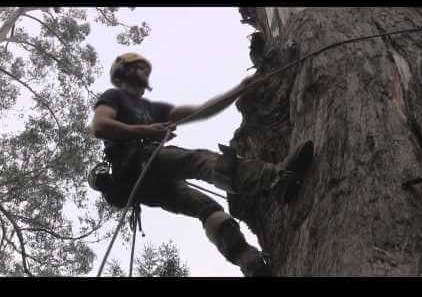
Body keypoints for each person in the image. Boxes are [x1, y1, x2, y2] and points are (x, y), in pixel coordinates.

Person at [89, 52, 314, 277]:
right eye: (139, 68)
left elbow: (201, 111)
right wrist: (146, 131)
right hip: (137, 162)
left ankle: (250, 262)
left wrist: (239, 90)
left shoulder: (153, 109)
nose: (145, 73)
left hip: (150, 185)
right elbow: (99, 125)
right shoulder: (114, 97)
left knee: (207, 209)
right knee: (200, 161)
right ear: (123, 73)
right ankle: (277, 179)